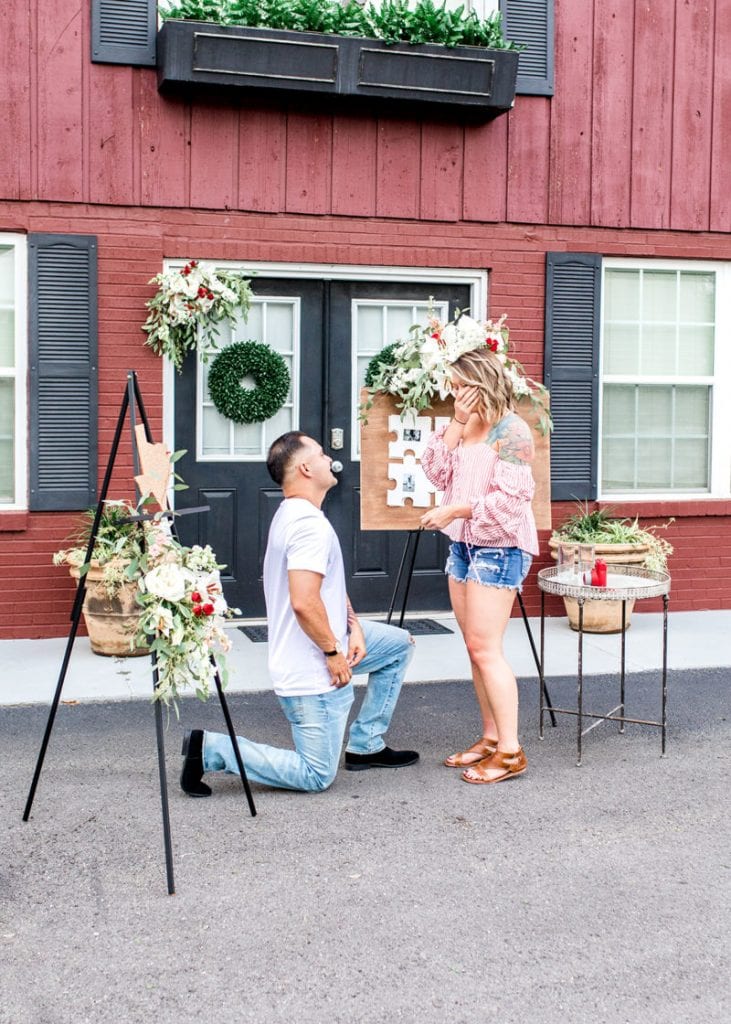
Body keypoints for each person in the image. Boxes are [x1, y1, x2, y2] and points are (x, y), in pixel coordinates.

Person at [180, 431, 418, 796]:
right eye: (322, 454)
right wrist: (333, 653)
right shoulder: (309, 526)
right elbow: (304, 602)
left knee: (398, 645)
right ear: (306, 467)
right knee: (316, 775)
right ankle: (210, 749)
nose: (330, 460)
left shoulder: (294, 513)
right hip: (311, 669)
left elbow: (327, 588)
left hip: (326, 642)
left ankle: (366, 742)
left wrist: (353, 627)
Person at [420, 346, 538, 785]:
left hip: (501, 548)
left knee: (487, 648)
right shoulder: (466, 423)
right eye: (452, 386)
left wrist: (455, 512)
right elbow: (435, 473)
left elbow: (511, 504)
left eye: (459, 386)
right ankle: (490, 739)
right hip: (465, 548)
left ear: (479, 382)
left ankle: (510, 752)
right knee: (474, 647)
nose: (454, 393)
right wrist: (453, 421)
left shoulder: (512, 430)